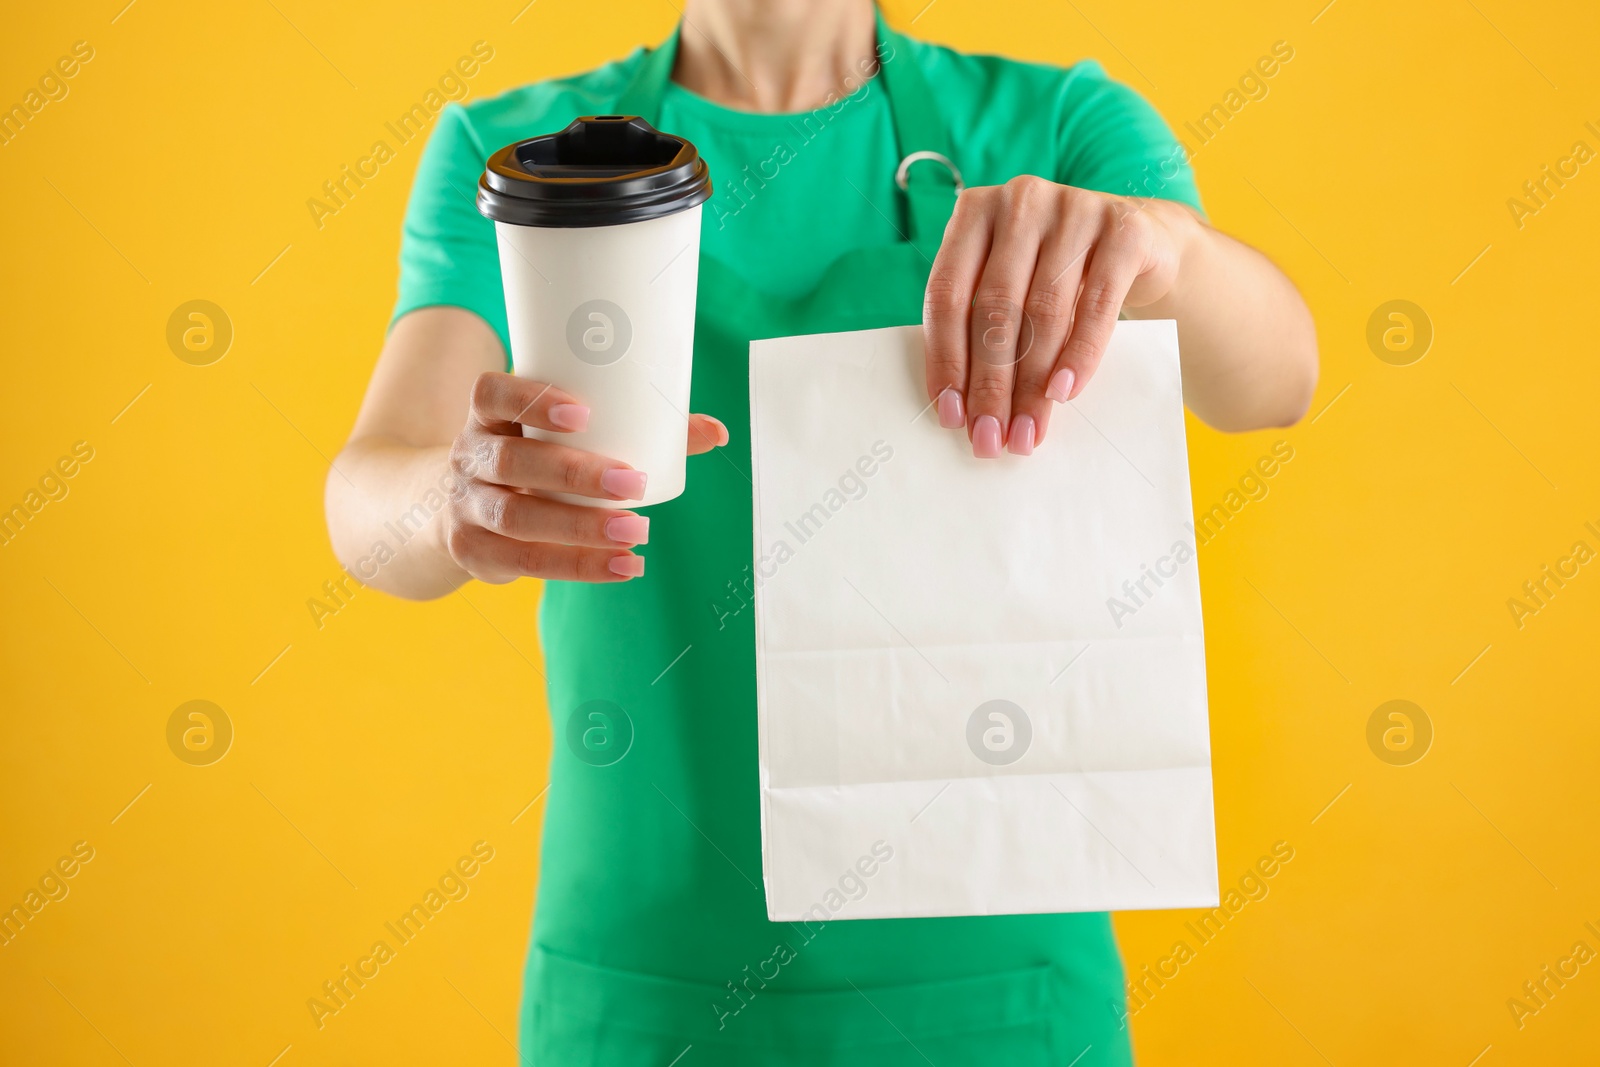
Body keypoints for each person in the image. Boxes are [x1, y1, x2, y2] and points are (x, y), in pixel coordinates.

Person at [325, 0, 1317, 1062]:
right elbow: (368, 496)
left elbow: (1274, 382)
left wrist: (1172, 253)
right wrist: (458, 496)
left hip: (1001, 993)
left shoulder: (1057, 126)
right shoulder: (515, 160)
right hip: (644, 988)